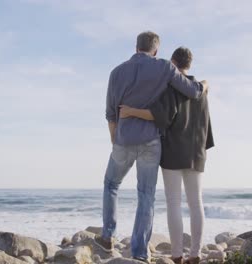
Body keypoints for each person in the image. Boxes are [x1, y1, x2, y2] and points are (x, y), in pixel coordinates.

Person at [95, 32, 209, 263]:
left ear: (136, 47)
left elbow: (110, 113)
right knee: (146, 195)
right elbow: (192, 91)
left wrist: (114, 138)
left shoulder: (116, 72)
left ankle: (108, 235)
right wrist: (204, 85)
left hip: (123, 139)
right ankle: (139, 251)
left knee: (111, 184)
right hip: (151, 142)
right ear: (156, 50)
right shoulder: (165, 68)